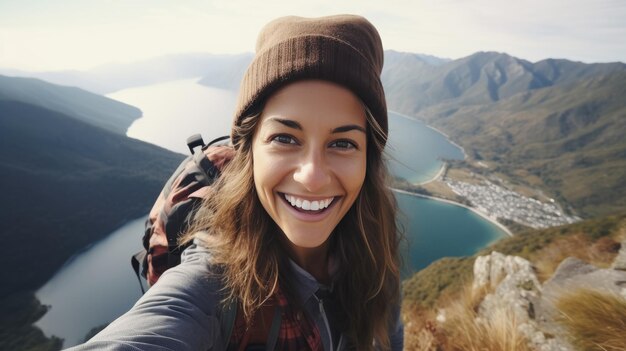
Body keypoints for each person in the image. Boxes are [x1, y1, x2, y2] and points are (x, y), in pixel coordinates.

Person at [68, 14, 403, 351]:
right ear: (250, 152)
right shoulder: (213, 286)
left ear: (367, 159)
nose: (312, 177)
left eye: (343, 143)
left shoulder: (374, 252)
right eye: (285, 138)